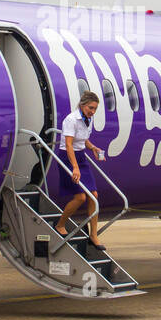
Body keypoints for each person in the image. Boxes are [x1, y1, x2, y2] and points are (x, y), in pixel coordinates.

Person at [54, 91, 107, 247]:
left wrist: (93, 148)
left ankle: (93, 235)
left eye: (95, 109)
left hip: (81, 157)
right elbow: (69, 144)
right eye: (90, 108)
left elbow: (83, 140)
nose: (92, 111)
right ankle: (60, 225)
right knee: (80, 197)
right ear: (83, 105)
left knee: (93, 195)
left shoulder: (87, 119)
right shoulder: (71, 120)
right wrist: (75, 168)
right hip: (68, 158)